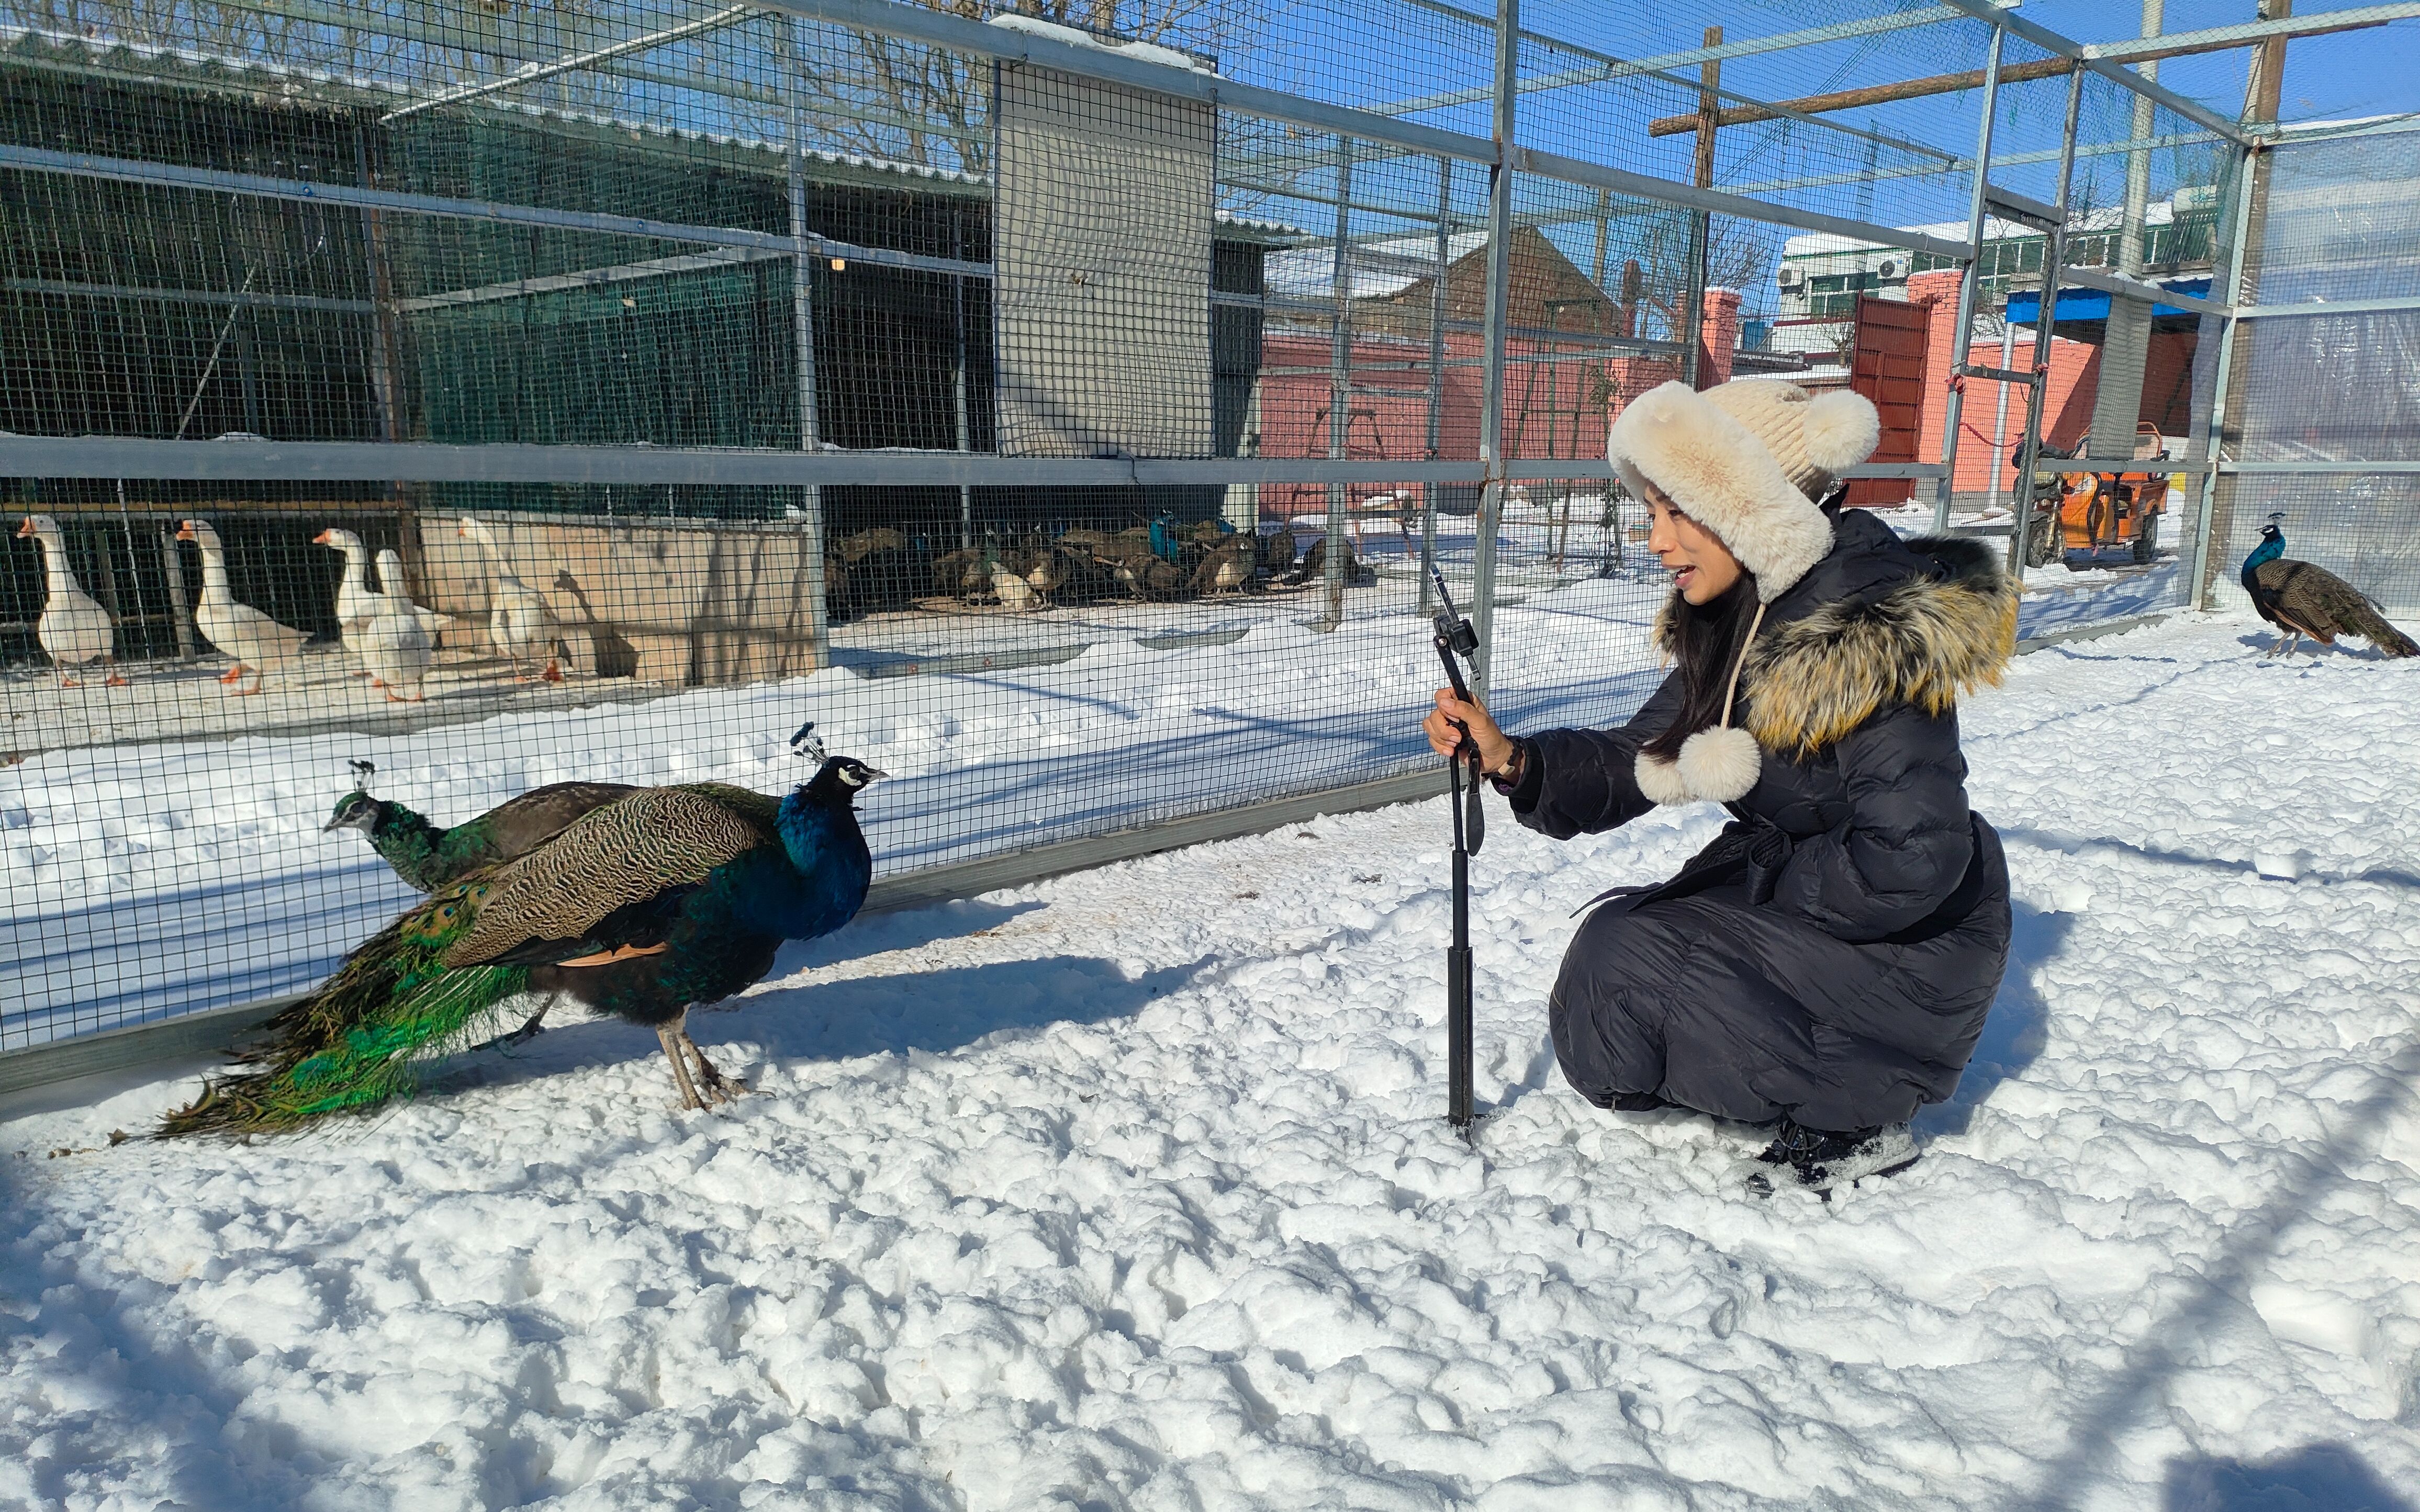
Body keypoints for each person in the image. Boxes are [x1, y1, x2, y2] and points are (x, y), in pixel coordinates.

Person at [1425, 378, 2017, 1195]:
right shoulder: (1747, 618)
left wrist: (1771, 883)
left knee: (1635, 968)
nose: (1656, 540)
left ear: (1749, 508)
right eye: (1652, 512)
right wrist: (1513, 759)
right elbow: (1640, 753)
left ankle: (1862, 1105)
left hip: (1915, 947)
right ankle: (1783, 1053)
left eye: (1677, 512)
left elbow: (1915, 856)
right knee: (1609, 980)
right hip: (1836, 913)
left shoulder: (1863, 631)